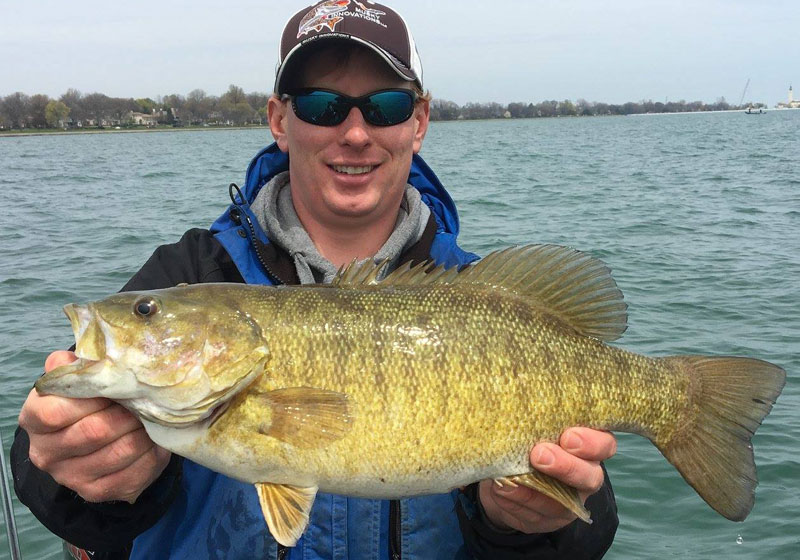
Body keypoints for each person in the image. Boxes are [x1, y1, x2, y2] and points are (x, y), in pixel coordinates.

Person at [12, 2, 619, 558]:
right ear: (279, 118)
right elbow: (57, 476)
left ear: (420, 120)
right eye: (321, 105)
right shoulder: (193, 273)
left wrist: (519, 525)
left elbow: (589, 525)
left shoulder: (481, 296)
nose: (354, 132)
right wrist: (76, 472)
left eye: (385, 105)